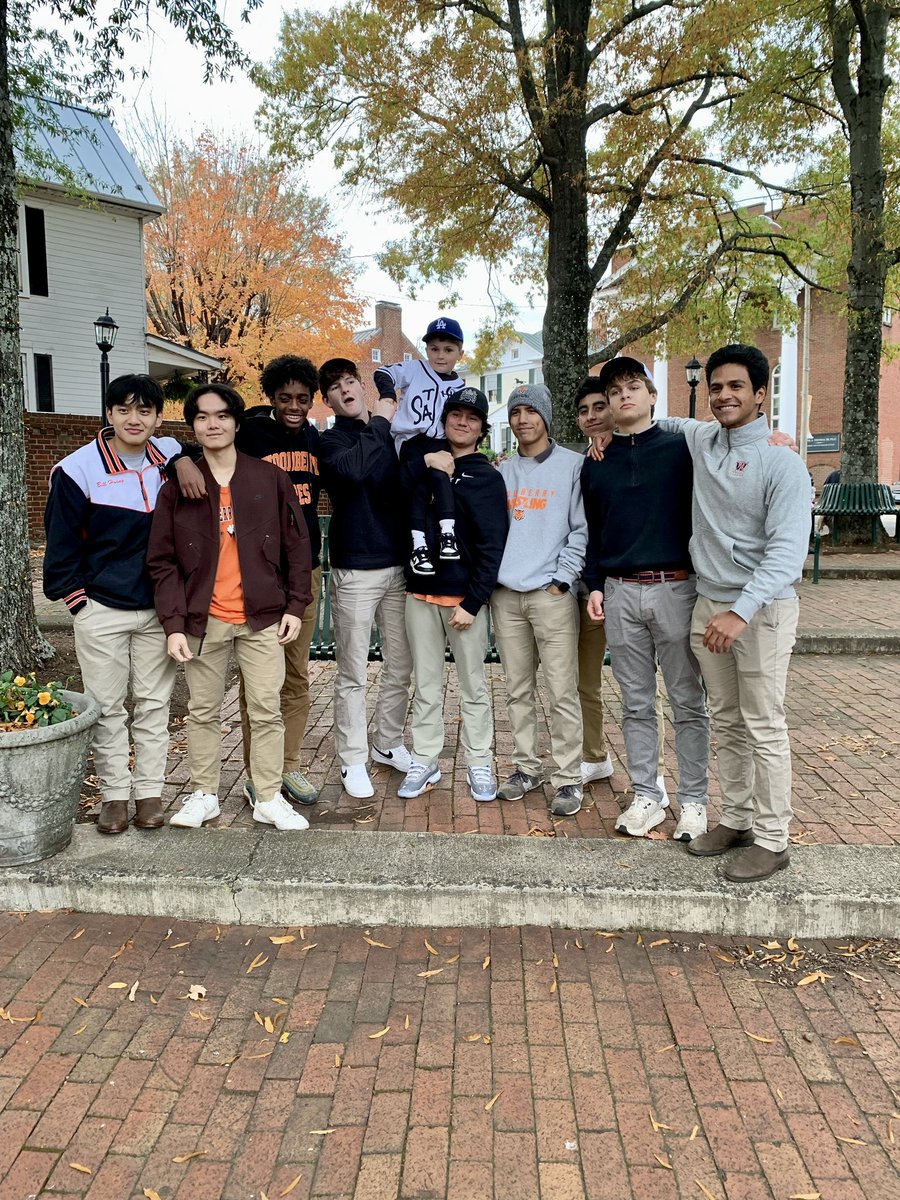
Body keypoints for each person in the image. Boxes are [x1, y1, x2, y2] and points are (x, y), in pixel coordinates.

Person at [665, 344, 811, 881]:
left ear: (760, 395)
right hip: (709, 602)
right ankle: (738, 819)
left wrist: (742, 611)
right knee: (725, 718)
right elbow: (655, 418)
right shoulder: (703, 439)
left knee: (763, 723)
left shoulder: (782, 461)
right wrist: (605, 433)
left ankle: (774, 840)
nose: (723, 396)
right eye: (716, 387)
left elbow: (787, 553)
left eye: (735, 387)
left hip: (762, 610)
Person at [147, 384, 312, 832]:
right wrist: (174, 624)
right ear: (193, 426)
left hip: (262, 618)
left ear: (237, 423)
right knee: (201, 711)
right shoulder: (178, 487)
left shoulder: (268, 478)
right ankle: (204, 795)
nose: (213, 424)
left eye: (221, 416)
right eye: (202, 417)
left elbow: (299, 547)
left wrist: (295, 605)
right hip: (204, 619)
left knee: (266, 709)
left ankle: (269, 796)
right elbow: (161, 561)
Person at [43, 374, 188, 835]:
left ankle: (149, 793)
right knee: (106, 707)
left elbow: (197, 448)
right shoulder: (77, 470)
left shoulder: (167, 456)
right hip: (100, 608)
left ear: (158, 418)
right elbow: (60, 549)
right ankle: (114, 796)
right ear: (108, 414)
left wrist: (186, 459)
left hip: (156, 610)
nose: (134, 418)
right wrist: (78, 603)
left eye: (144, 410)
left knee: (152, 705)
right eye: (123, 409)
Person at [582, 358, 710, 842]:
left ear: (652, 394)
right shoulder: (597, 464)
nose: (623, 396)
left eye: (633, 386)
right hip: (619, 591)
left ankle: (694, 800)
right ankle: (646, 796)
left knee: (687, 700)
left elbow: (728, 443)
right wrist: (595, 584)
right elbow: (595, 532)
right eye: (615, 392)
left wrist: (775, 442)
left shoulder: (683, 449)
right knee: (635, 701)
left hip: (676, 587)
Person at [397, 387, 508, 801]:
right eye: (455, 415)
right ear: (445, 421)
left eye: (472, 417)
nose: (462, 422)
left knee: (474, 686)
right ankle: (425, 761)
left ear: (481, 428)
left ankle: (479, 762)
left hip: (462, 602)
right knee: (425, 686)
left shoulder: (486, 477)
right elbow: (395, 488)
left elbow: (491, 545)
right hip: (420, 595)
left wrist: (474, 601)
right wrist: (425, 462)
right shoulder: (424, 463)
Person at [317, 358, 414, 798]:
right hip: (355, 569)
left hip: (398, 567)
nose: (345, 390)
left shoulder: (391, 435)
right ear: (329, 399)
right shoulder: (331, 441)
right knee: (353, 671)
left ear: (361, 385)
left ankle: (387, 743)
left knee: (400, 664)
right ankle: (352, 758)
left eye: (351, 382)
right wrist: (384, 415)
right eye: (335, 387)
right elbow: (353, 471)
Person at [490, 383, 587, 816]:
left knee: (562, 690)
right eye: (516, 412)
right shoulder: (504, 472)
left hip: (551, 595)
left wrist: (562, 581)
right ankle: (527, 767)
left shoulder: (573, 467)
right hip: (507, 596)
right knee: (517, 689)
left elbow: (581, 530)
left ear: (546, 416)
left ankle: (568, 778)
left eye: (531, 411)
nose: (523, 419)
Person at [574, 376, 670, 797]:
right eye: (584, 410)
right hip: (585, 589)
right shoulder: (586, 461)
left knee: (647, 688)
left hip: (628, 586)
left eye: (601, 406)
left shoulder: (653, 448)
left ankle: (657, 775)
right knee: (586, 682)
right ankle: (594, 757)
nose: (593, 416)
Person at [373, 317, 466, 573]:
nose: (440, 355)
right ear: (426, 349)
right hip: (411, 439)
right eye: (434, 348)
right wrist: (389, 394)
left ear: (460, 352)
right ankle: (419, 544)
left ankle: (447, 535)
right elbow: (382, 372)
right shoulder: (415, 369)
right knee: (418, 485)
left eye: (448, 349)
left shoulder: (460, 386)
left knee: (440, 477)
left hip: (440, 442)